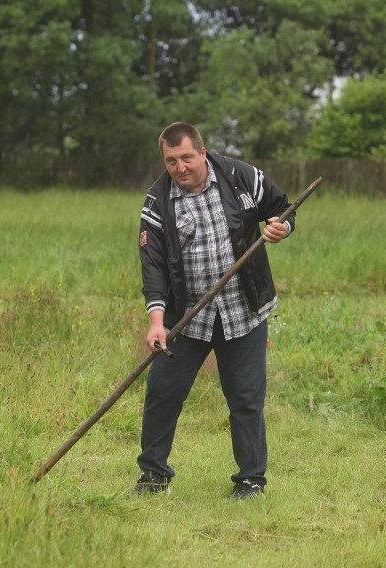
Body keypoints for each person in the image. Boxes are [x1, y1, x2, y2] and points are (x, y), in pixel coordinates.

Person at [133, 122, 294, 499]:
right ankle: (153, 476)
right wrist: (157, 322)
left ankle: (251, 479)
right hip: (187, 318)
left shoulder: (242, 177)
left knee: (245, 398)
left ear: (203, 153)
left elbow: (283, 207)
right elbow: (153, 266)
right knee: (163, 393)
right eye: (171, 160)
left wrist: (280, 227)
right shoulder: (158, 203)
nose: (180, 167)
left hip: (244, 310)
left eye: (187, 157)